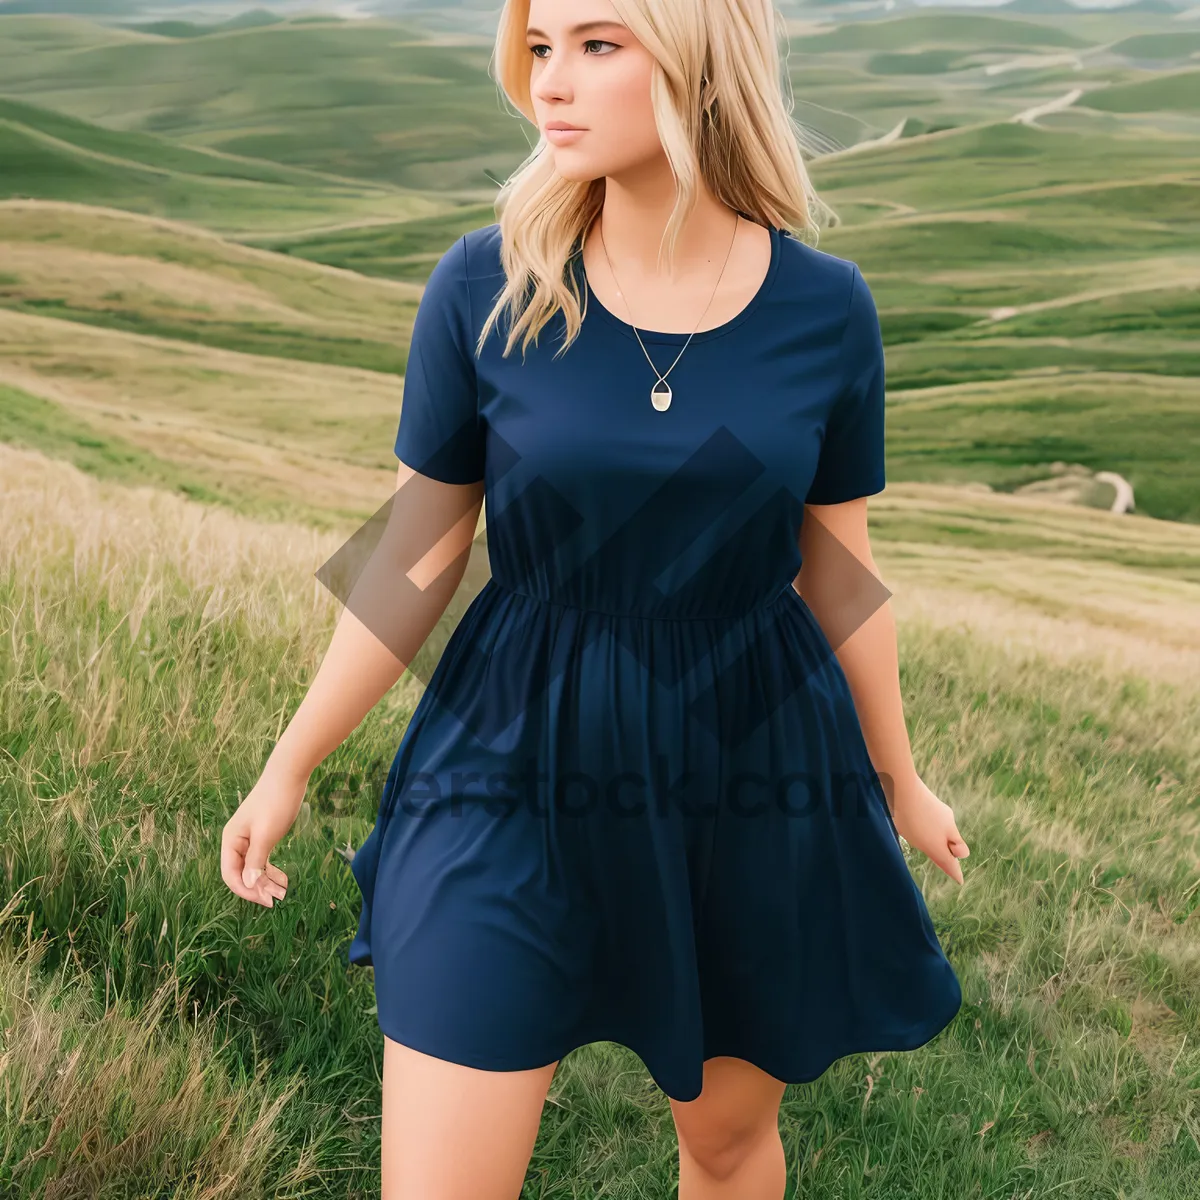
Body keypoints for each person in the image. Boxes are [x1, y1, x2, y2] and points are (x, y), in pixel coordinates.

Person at [220, 1, 971, 1196]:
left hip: (748, 763)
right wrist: (291, 761)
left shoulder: (827, 310)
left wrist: (898, 774)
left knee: (723, 1146)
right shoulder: (487, 283)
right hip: (506, 759)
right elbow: (416, 551)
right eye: (540, 47)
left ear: (699, 63)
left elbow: (837, 572)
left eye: (598, 43)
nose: (549, 83)